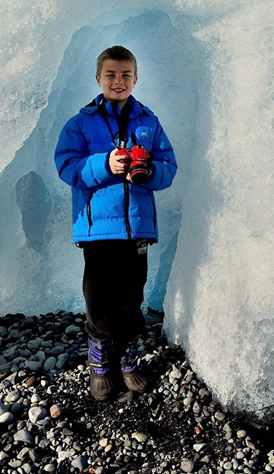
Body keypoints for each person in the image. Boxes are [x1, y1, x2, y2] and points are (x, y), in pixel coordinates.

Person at [54, 45, 177, 400]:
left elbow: (169, 167)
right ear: (98, 78)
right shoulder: (80, 123)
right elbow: (67, 166)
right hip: (97, 229)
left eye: (125, 75)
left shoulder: (149, 123)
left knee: (130, 297)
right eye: (111, 74)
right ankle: (100, 364)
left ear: (135, 79)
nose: (118, 81)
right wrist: (105, 165)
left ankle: (126, 360)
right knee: (98, 297)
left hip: (137, 227)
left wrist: (149, 170)